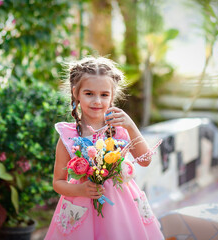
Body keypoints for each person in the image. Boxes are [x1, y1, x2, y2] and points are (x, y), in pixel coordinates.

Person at [44, 56, 164, 240]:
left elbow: (146, 160)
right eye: (89, 93)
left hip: (121, 208)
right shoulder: (69, 136)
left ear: (112, 96)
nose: (97, 101)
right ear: (76, 92)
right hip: (82, 208)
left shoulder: (121, 130)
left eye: (104, 94)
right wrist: (81, 190)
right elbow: (58, 182)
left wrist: (131, 126)